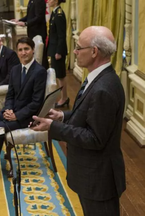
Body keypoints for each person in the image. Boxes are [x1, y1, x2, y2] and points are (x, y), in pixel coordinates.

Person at [32, 26, 126, 216]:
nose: (74, 52)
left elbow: (95, 138)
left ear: (94, 51)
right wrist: (63, 116)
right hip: (92, 176)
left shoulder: (103, 89)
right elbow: (89, 114)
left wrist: (54, 127)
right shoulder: (97, 77)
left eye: (78, 47)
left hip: (98, 180)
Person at [0, 37, 47, 176]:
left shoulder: (39, 71)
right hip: (11, 112)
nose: (23, 52)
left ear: (33, 50)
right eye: (20, 50)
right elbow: (10, 95)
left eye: (26, 49)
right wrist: (8, 109)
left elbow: (36, 103)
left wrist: (16, 115)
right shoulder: (15, 70)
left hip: (26, 117)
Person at [13, 0, 48, 69]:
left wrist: (26, 23)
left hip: (38, 32)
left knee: (41, 56)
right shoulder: (31, 1)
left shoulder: (39, 1)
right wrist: (19, 20)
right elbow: (29, 16)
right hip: (32, 32)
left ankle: (43, 72)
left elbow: (39, 17)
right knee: (34, 53)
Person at [47, 0, 69, 108]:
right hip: (54, 48)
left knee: (61, 76)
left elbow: (61, 35)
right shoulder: (55, 12)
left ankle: (64, 98)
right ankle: (63, 97)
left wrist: (59, 51)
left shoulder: (59, 14)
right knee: (58, 75)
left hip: (57, 50)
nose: (48, 1)